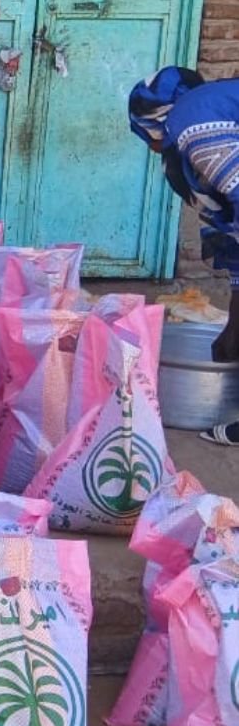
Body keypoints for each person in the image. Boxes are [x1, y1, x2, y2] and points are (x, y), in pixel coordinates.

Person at [128, 67, 239, 444]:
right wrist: (233, 325)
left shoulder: (191, 123)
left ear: (151, 119)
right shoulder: (204, 113)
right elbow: (233, 240)